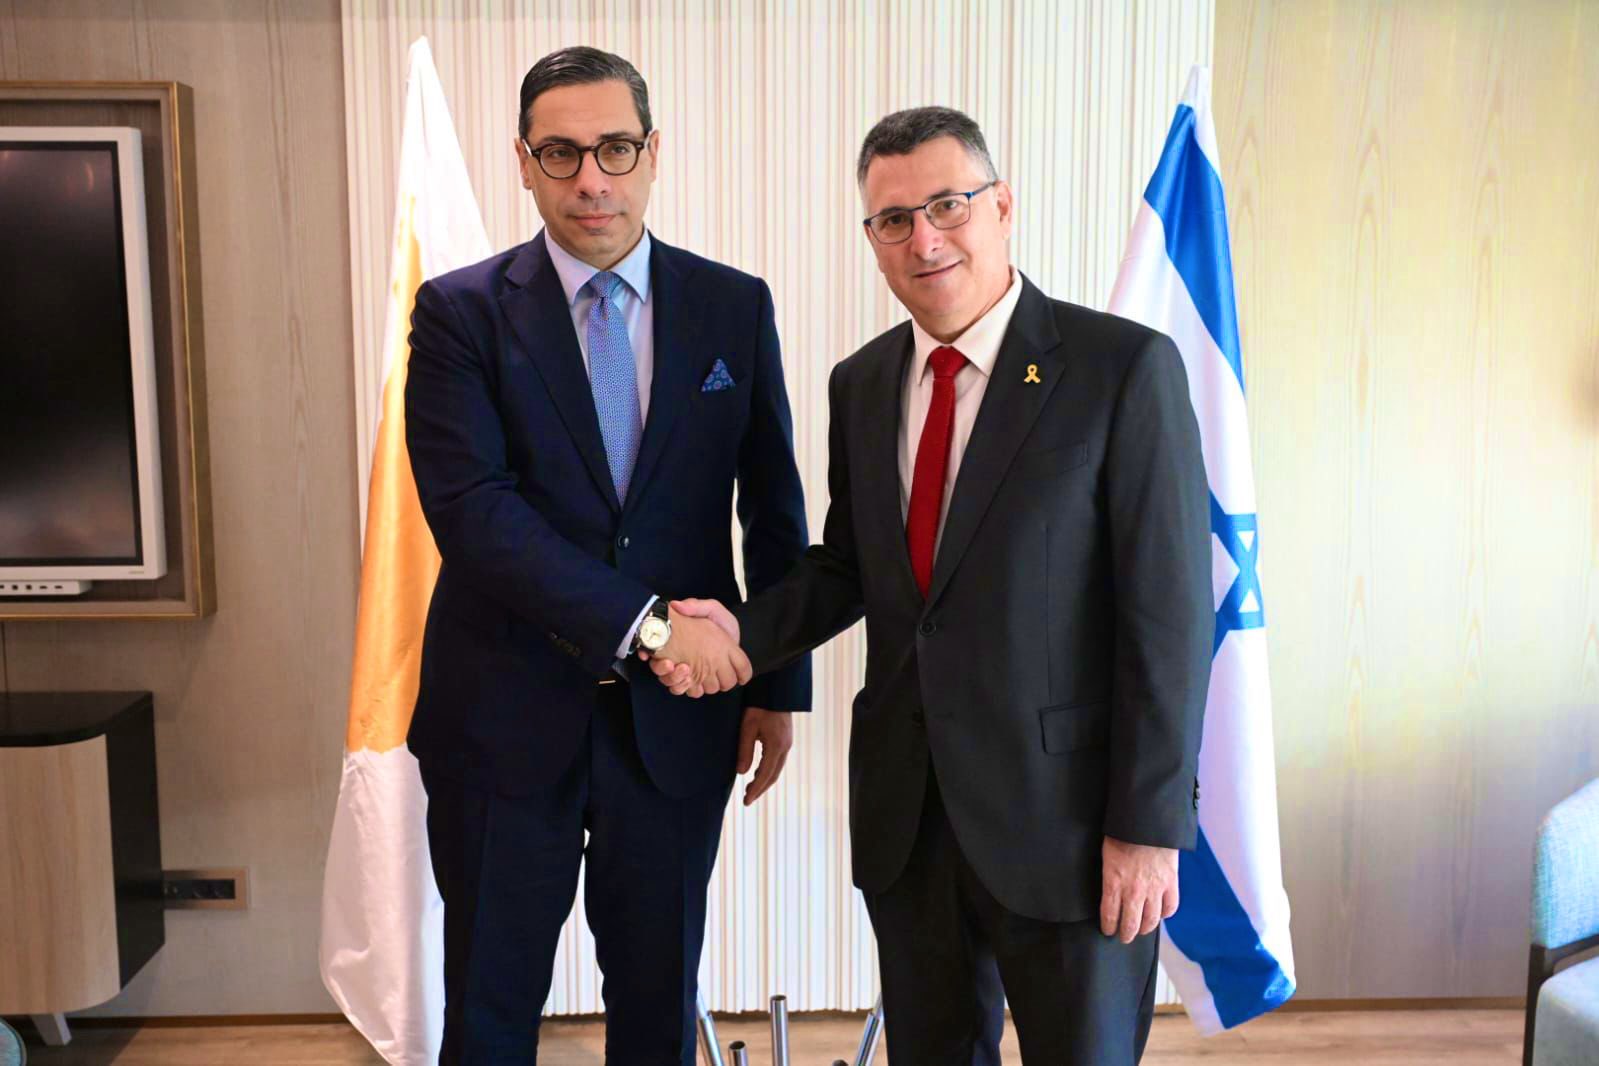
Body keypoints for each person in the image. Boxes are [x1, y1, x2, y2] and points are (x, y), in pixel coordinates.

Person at [650, 107, 1212, 1064]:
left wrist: (1148, 828)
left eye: (947, 205)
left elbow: (1168, 615)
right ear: (872, 238)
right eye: (893, 219)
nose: (924, 239)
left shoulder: (1121, 369)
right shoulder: (862, 384)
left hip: (1071, 827)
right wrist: (739, 632)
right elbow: (848, 565)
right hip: (910, 821)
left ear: (1001, 207)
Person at [404, 46, 811, 1065]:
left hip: (675, 730)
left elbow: (772, 507)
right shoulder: (459, 313)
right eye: (562, 152)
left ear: (653, 152)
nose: (591, 178)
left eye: (615, 148)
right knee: (488, 1011)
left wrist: (774, 682)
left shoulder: (732, 305)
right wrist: (653, 627)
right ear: (524, 162)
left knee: (658, 1005)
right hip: (500, 723)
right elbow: (475, 516)